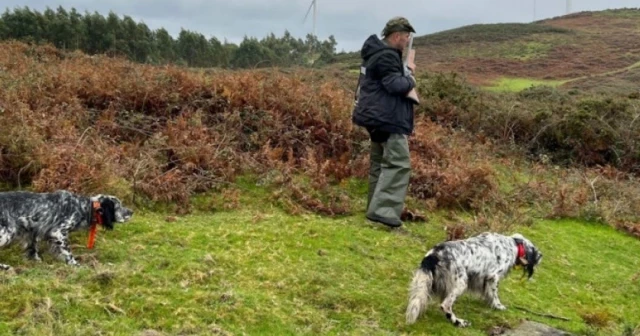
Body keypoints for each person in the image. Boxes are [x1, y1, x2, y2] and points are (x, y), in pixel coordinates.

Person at [352, 16, 418, 228]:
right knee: (398, 164)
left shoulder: (376, 53)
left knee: (379, 165)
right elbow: (395, 85)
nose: (408, 41)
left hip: (376, 118)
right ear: (397, 36)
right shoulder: (387, 56)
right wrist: (411, 77)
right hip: (387, 119)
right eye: (407, 36)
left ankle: (375, 210)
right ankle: (383, 215)